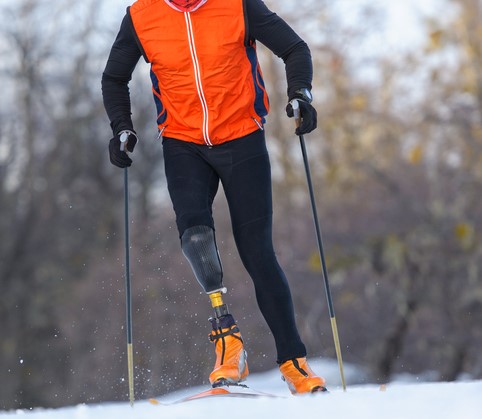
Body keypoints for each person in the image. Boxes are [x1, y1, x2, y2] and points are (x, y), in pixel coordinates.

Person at [102, 0, 326, 394]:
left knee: (257, 252)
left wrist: (301, 93)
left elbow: (294, 49)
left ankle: (294, 363)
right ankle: (228, 342)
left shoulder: (238, 5)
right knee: (195, 238)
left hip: (242, 137)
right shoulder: (142, 16)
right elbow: (113, 78)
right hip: (182, 142)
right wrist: (122, 126)